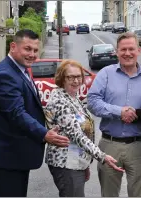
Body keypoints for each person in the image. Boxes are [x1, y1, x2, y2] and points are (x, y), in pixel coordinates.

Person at [0, 29, 70, 197]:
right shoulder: (5, 74)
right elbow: (17, 113)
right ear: (13, 46)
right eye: (27, 49)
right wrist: (44, 134)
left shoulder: (19, 69)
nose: (32, 54)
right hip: (7, 157)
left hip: (15, 155)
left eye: (35, 50)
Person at [87, 32, 141, 197]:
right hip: (110, 144)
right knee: (109, 194)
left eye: (131, 49)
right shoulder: (105, 74)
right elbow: (92, 102)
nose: (127, 53)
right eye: (123, 49)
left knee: (139, 194)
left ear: (138, 51)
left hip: (139, 146)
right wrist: (119, 112)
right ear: (117, 52)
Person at [44, 60, 123, 197]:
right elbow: (77, 135)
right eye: (70, 77)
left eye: (78, 76)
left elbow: (86, 130)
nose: (76, 81)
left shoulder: (73, 97)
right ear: (62, 78)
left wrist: (85, 163)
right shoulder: (60, 100)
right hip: (65, 163)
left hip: (76, 162)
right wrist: (102, 157)